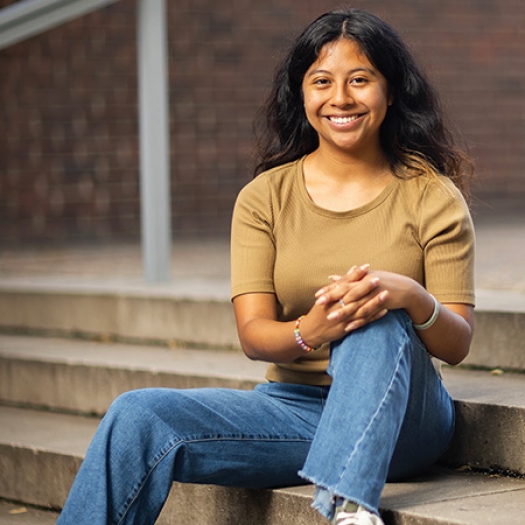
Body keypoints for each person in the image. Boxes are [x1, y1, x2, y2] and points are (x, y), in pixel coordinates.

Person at [56, 8, 475, 525]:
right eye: (321, 81)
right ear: (302, 95)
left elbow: (457, 345)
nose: (340, 98)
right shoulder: (264, 198)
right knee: (137, 415)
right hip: (294, 408)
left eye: (360, 80)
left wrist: (409, 295)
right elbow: (255, 336)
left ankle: (349, 508)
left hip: (406, 420)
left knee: (373, 314)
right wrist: (312, 330)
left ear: (391, 92)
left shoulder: (431, 195)